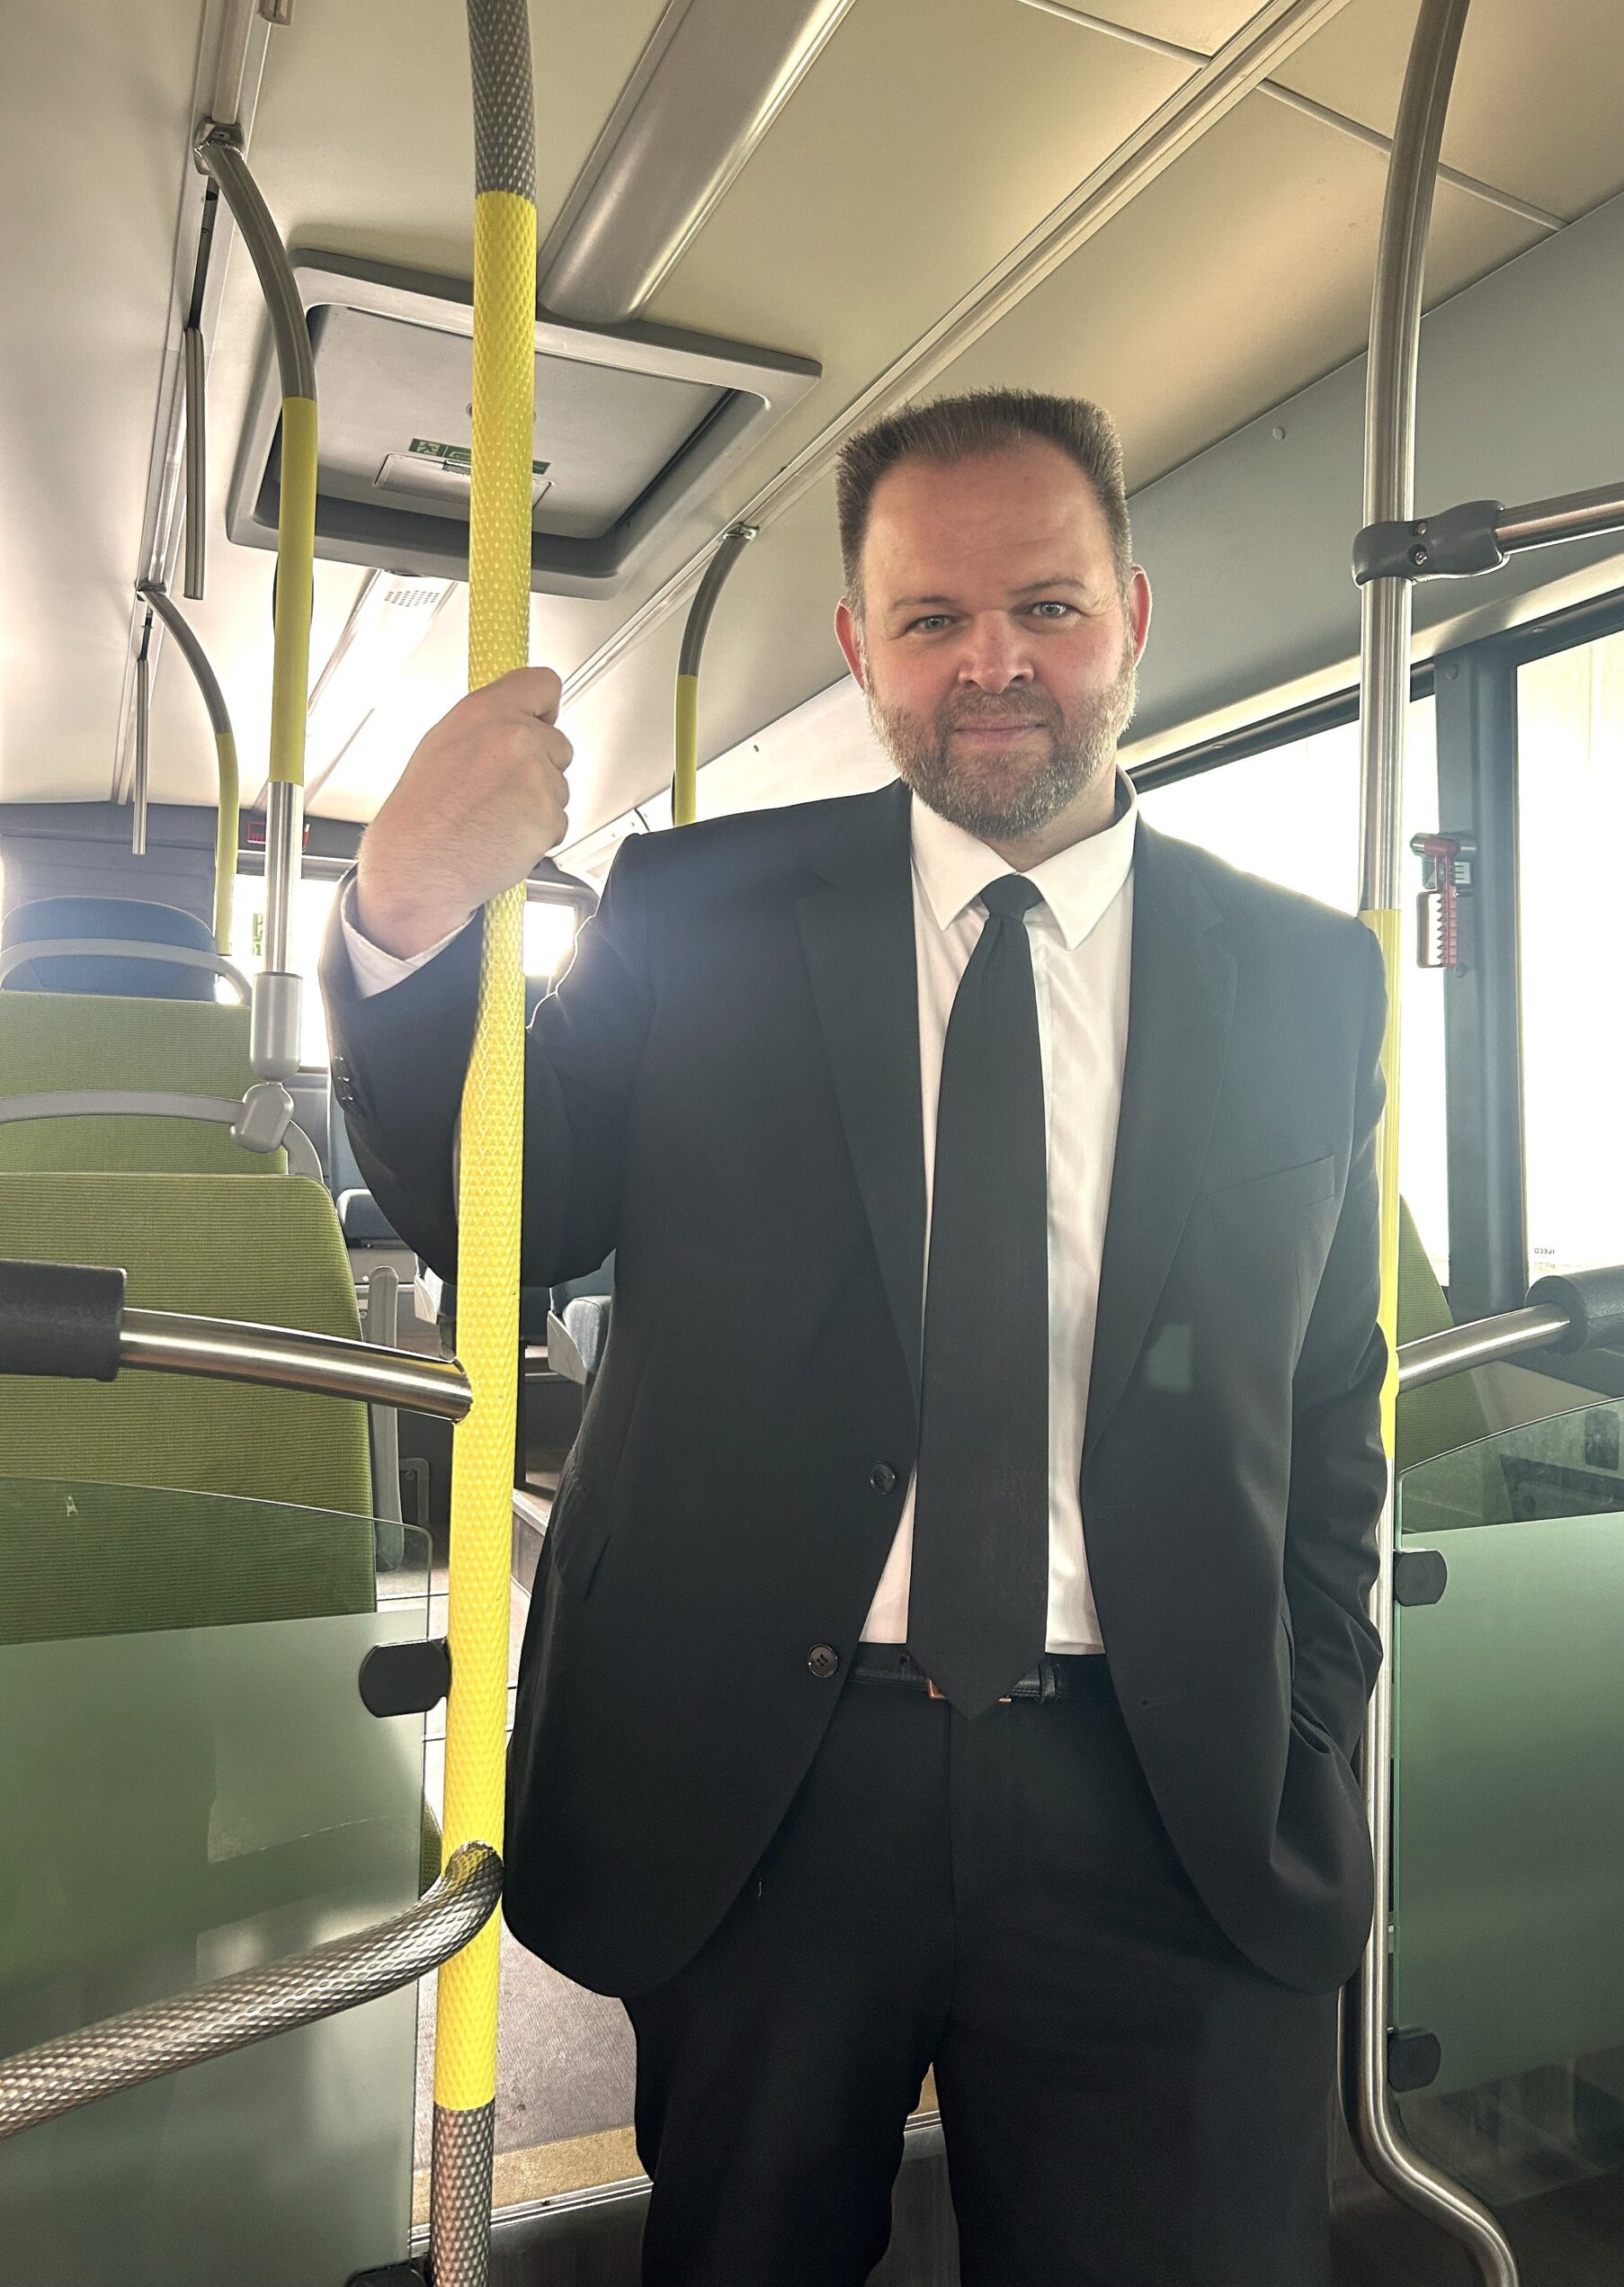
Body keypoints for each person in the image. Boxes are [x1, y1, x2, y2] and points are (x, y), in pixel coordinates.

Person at [322, 388, 1388, 2287]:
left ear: (1133, 616)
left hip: (1168, 1788)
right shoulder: (699, 912)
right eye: (932, 618)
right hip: (772, 1785)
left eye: (1047, 606)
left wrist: (1313, 1716)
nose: (995, 662)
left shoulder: (1309, 977)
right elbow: (511, 1218)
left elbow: (1324, 1397)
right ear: (860, 645)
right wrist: (402, 908)